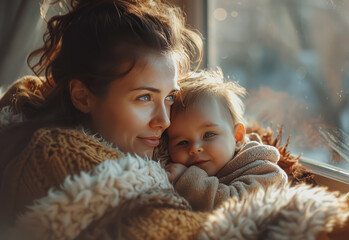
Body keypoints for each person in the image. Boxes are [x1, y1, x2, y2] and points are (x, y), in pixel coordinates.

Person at [0, 0, 202, 227]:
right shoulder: (57, 159)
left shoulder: (152, 142)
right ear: (82, 97)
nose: (164, 121)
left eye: (170, 97)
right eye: (144, 97)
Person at [162, 69, 288, 211]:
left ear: (237, 137)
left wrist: (185, 180)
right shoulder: (166, 169)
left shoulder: (265, 171)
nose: (194, 148)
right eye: (182, 142)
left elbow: (234, 207)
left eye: (208, 135)